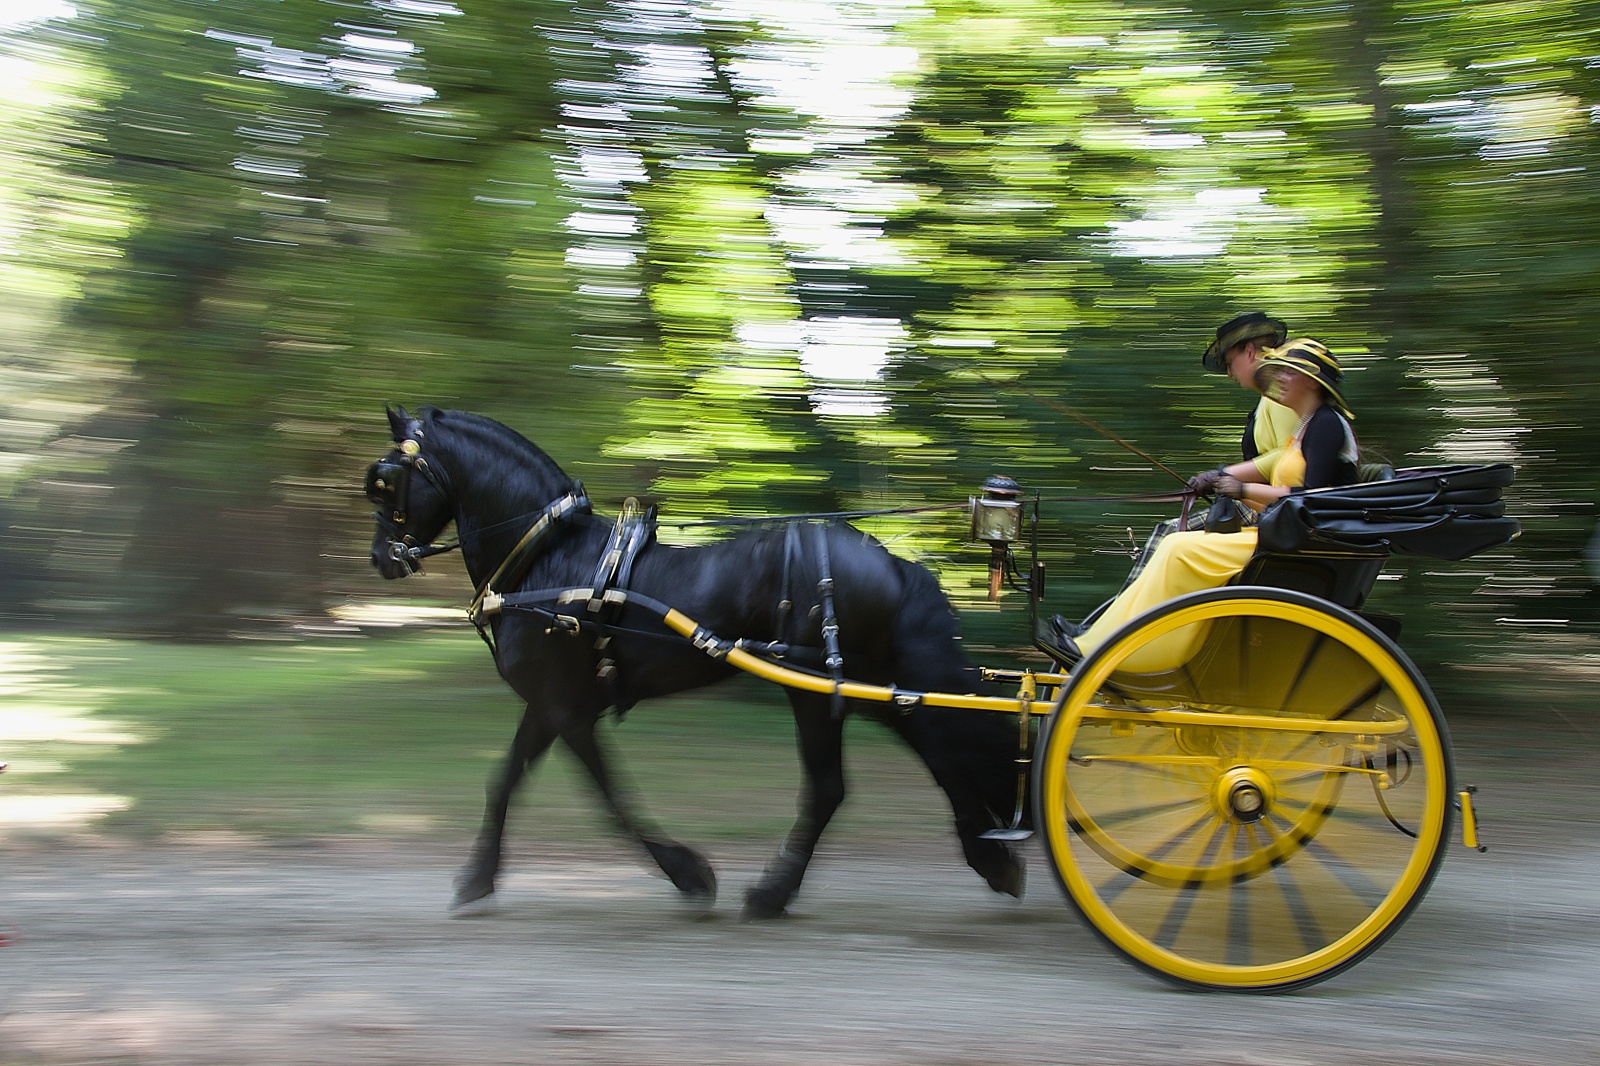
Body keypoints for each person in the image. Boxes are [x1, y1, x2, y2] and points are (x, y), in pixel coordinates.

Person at [1054, 339, 1358, 672]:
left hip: (1300, 543)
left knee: (1178, 549)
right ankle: (1103, 638)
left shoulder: (1327, 424)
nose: (1280, 379)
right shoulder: (1308, 425)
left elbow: (1310, 497)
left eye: (1288, 372)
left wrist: (1242, 487)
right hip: (1285, 533)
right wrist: (1234, 489)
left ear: (1312, 381)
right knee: (1172, 542)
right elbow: (1290, 495)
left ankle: (1132, 649)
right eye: (1279, 372)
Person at [1189, 311, 1300, 495]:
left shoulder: (1280, 395)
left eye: (1229, 363)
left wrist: (1222, 475)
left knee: (1170, 526)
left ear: (1249, 352)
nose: (1229, 374)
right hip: (1273, 503)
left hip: (1281, 505)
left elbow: (1289, 454)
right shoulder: (1270, 397)